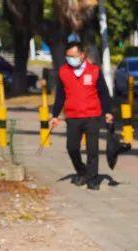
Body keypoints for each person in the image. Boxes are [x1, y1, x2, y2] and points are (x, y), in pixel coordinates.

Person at [48, 41, 114, 190]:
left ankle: (92, 178)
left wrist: (108, 112)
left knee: (92, 150)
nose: (71, 59)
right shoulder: (63, 72)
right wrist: (55, 115)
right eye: (68, 56)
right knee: (72, 148)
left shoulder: (94, 71)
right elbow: (60, 96)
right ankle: (81, 171)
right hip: (72, 116)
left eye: (74, 56)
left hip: (92, 115)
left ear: (82, 55)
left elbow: (104, 94)